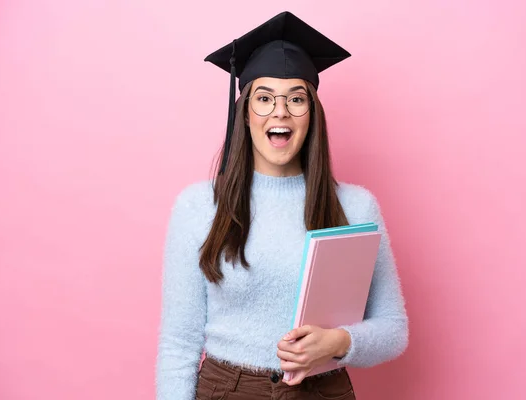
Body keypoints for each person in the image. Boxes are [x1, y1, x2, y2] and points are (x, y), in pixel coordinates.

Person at [156, 11, 409, 400]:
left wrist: (339, 341)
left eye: (296, 98)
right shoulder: (199, 207)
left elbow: (393, 329)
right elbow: (179, 345)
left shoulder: (356, 207)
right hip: (228, 391)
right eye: (263, 98)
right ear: (244, 112)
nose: (280, 111)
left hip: (323, 391)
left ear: (312, 115)